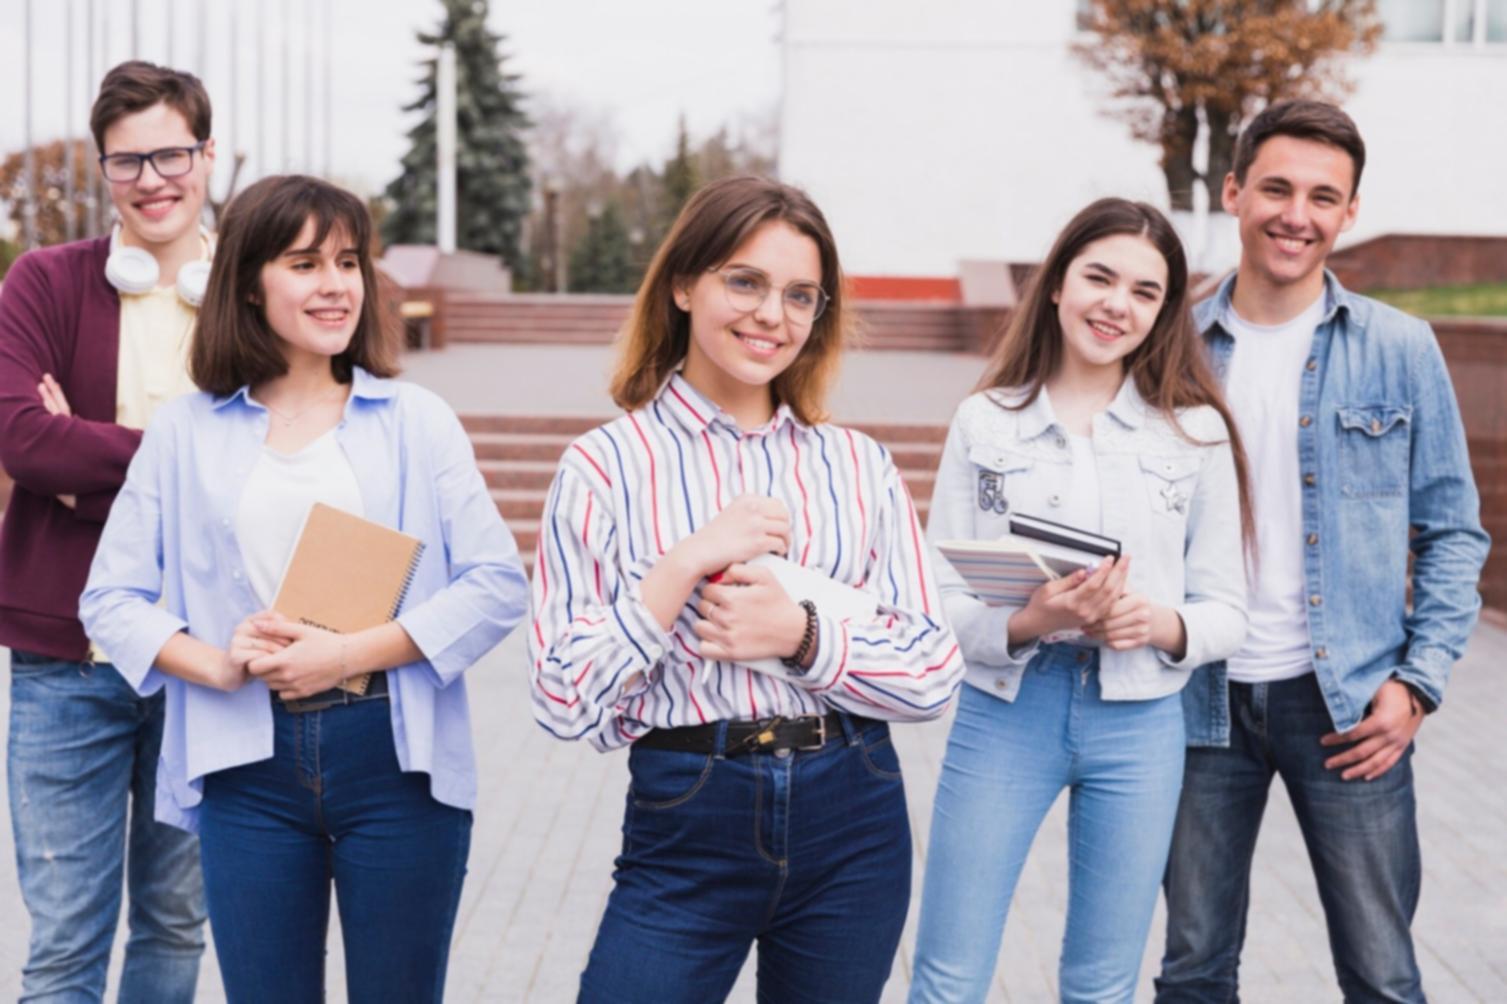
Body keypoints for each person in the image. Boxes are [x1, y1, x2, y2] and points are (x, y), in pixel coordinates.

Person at [78, 174, 528, 1003]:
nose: (335, 285)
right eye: (304, 262)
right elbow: (110, 598)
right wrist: (214, 665)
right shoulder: (185, 430)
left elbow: (497, 584)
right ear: (250, 282)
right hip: (246, 765)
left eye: (349, 262)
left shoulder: (415, 419)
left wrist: (349, 653)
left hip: (394, 758)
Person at [527, 174, 965, 1003]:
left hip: (854, 813)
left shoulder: (856, 465)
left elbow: (933, 671)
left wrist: (800, 637)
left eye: (800, 295)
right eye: (745, 281)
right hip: (690, 812)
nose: (772, 314)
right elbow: (560, 699)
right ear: (684, 284)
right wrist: (679, 566)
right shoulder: (605, 466)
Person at [1154, 101, 1490, 1004]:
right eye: (1274, 187)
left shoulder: (1399, 347)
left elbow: (1453, 529)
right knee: (1191, 969)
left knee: (1382, 975)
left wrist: (1416, 683)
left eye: (1320, 196)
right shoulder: (1171, 346)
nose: (1293, 213)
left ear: (1347, 212)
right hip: (1197, 701)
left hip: (1347, 703)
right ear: (1233, 191)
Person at [908, 198, 1253, 1004]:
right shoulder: (983, 421)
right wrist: (1035, 620)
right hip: (1005, 713)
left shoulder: (1194, 433)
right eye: (1098, 276)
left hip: (1139, 724)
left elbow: (1228, 608)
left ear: (1164, 312)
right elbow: (941, 597)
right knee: (948, 977)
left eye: (1143, 291)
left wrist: (1159, 623)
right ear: (1056, 284)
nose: (1115, 304)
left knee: (1101, 986)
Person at [0, 60, 216, 1002]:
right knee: (62, 944)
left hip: (205, 660)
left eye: (171, 153)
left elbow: (280, 457)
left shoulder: (259, 289)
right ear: (103, 171)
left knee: (175, 927)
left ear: (208, 156)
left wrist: (87, 462)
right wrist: (184, 457)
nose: (152, 179)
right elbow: (21, 438)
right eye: (126, 162)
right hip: (64, 665)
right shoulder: (44, 282)